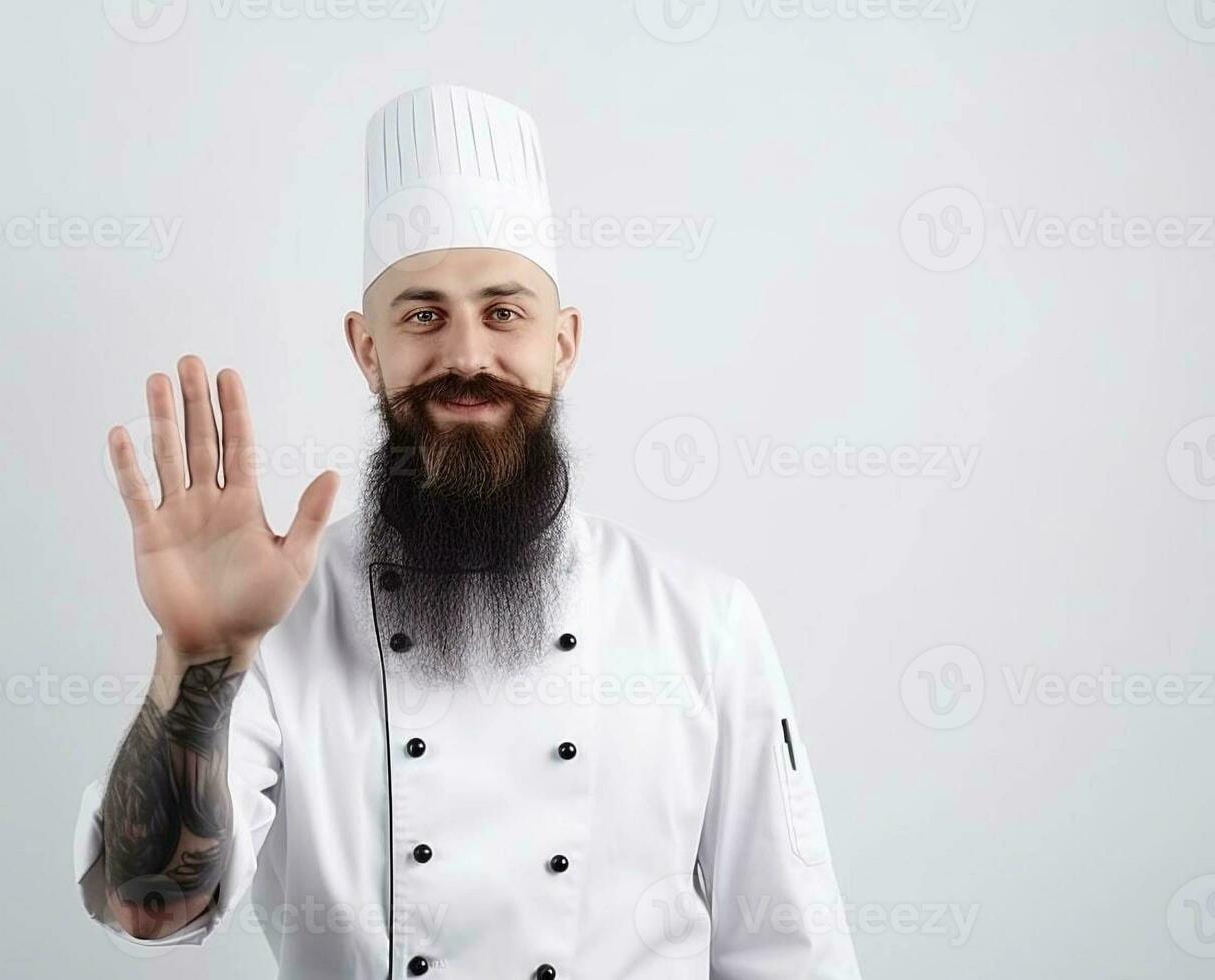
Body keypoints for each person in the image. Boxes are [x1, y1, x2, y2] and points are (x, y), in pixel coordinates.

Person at [72, 82, 861, 979]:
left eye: (504, 312)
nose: (466, 357)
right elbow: (148, 905)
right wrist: (201, 657)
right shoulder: (277, 623)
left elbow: (789, 954)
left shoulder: (704, 623)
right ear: (367, 351)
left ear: (562, 344)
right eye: (421, 315)